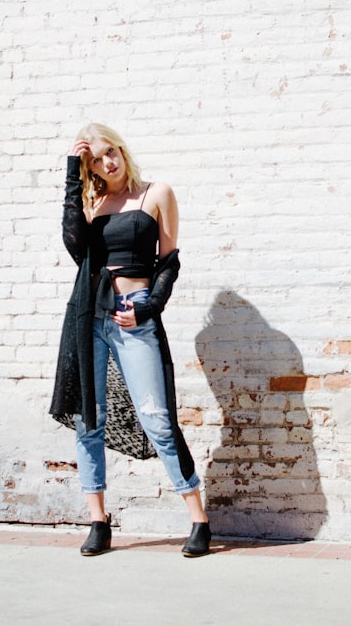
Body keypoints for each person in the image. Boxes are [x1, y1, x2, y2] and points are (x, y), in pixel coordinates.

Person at [49, 123, 211, 557]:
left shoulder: (156, 193)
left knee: (157, 417)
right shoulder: (95, 203)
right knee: (89, 419)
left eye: (112, 151)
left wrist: (149, 306)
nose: (109, 162)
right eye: (96, 158)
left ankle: (198, 518)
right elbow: (74, 248)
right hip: (90, 315)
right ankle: (98, 522)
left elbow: (169, 261)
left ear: (122, 150)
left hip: (133, 315)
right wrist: (71, 173)